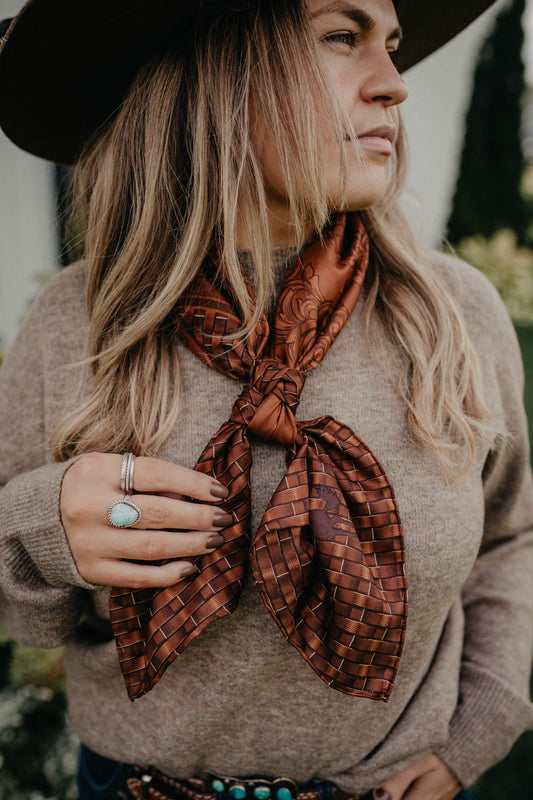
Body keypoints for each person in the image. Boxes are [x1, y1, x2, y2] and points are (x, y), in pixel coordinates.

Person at [0, 1, 531, 799]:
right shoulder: (73, 325)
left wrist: (482, 721)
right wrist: (41, 526)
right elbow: (18, 592)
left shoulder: (451, 314)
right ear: (212, 73)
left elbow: (509, 537)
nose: (394, 84)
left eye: (389, 46)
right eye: (341, 37)